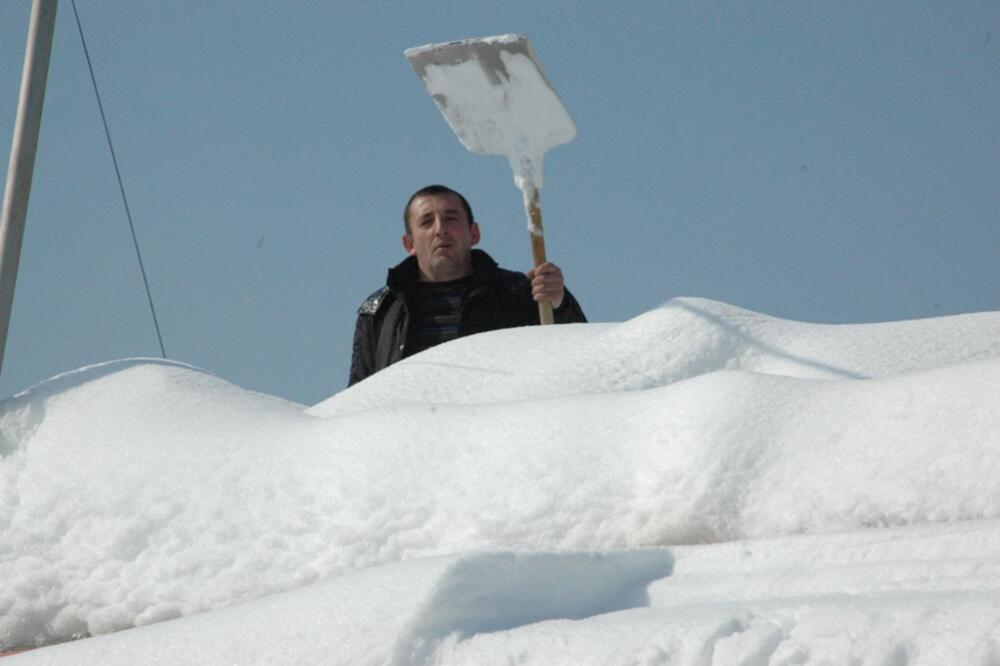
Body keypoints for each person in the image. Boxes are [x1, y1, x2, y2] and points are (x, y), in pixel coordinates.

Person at [348, 184, 586, 385]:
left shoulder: (518, 293)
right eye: (427, 222)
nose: (440, 230)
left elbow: (578, 357)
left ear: (474, 233)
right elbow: (358, 397)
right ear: (409, 243)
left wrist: (559, 303)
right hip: (407, 436)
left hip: (495, 432)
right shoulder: (381, 311)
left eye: (451, 219)